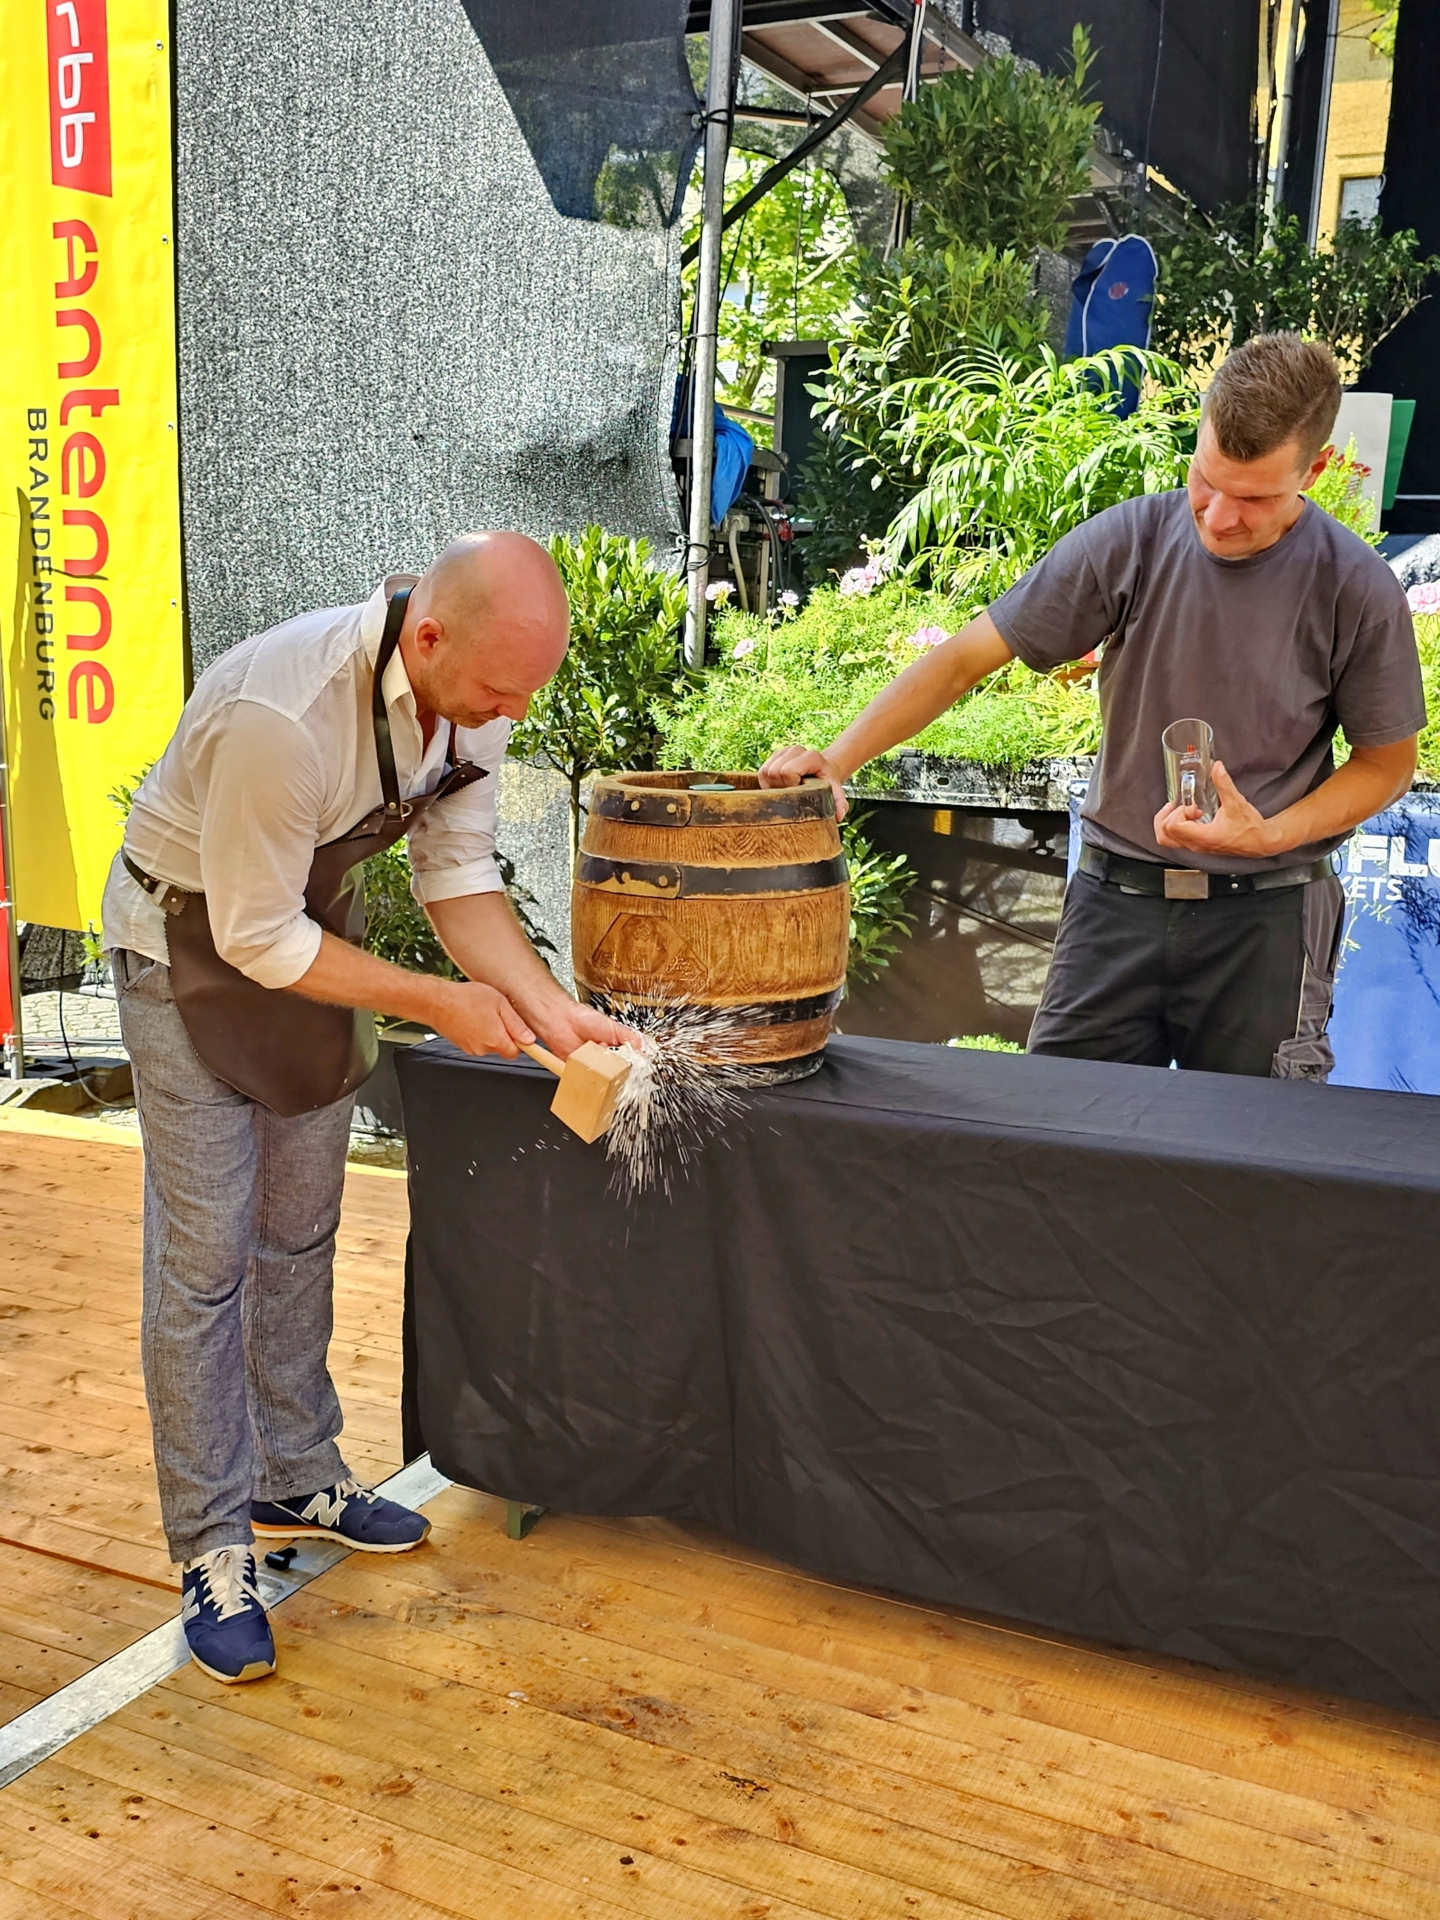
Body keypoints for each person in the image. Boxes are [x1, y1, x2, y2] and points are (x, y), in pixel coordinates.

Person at [102, 531, 628, 1684]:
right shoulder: (280, 714)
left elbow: (457, 876)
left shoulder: (473, 689)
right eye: (501, 688)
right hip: (184, 940)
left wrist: (551, 1012)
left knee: (303, 1223)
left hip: (305, 942)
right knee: (206, 1257)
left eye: (527, 691)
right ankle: (211, 1542)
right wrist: (440, 1004)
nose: (511, 713)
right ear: (427, 635)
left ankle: (295, 1468)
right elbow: (249, 935)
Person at [762, 334, 1426, 1078]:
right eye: (1206, 480)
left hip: (1266, 915)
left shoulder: (1356, 586)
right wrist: (837, 758)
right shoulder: (1132, 539)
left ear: (1318, 469)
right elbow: (962, 661)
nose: (1217, 517)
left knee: (1252, 1168)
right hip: (1116, 903)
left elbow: (1385, 766)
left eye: (1255, 499)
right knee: (1063, 1151)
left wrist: (1266, 835)